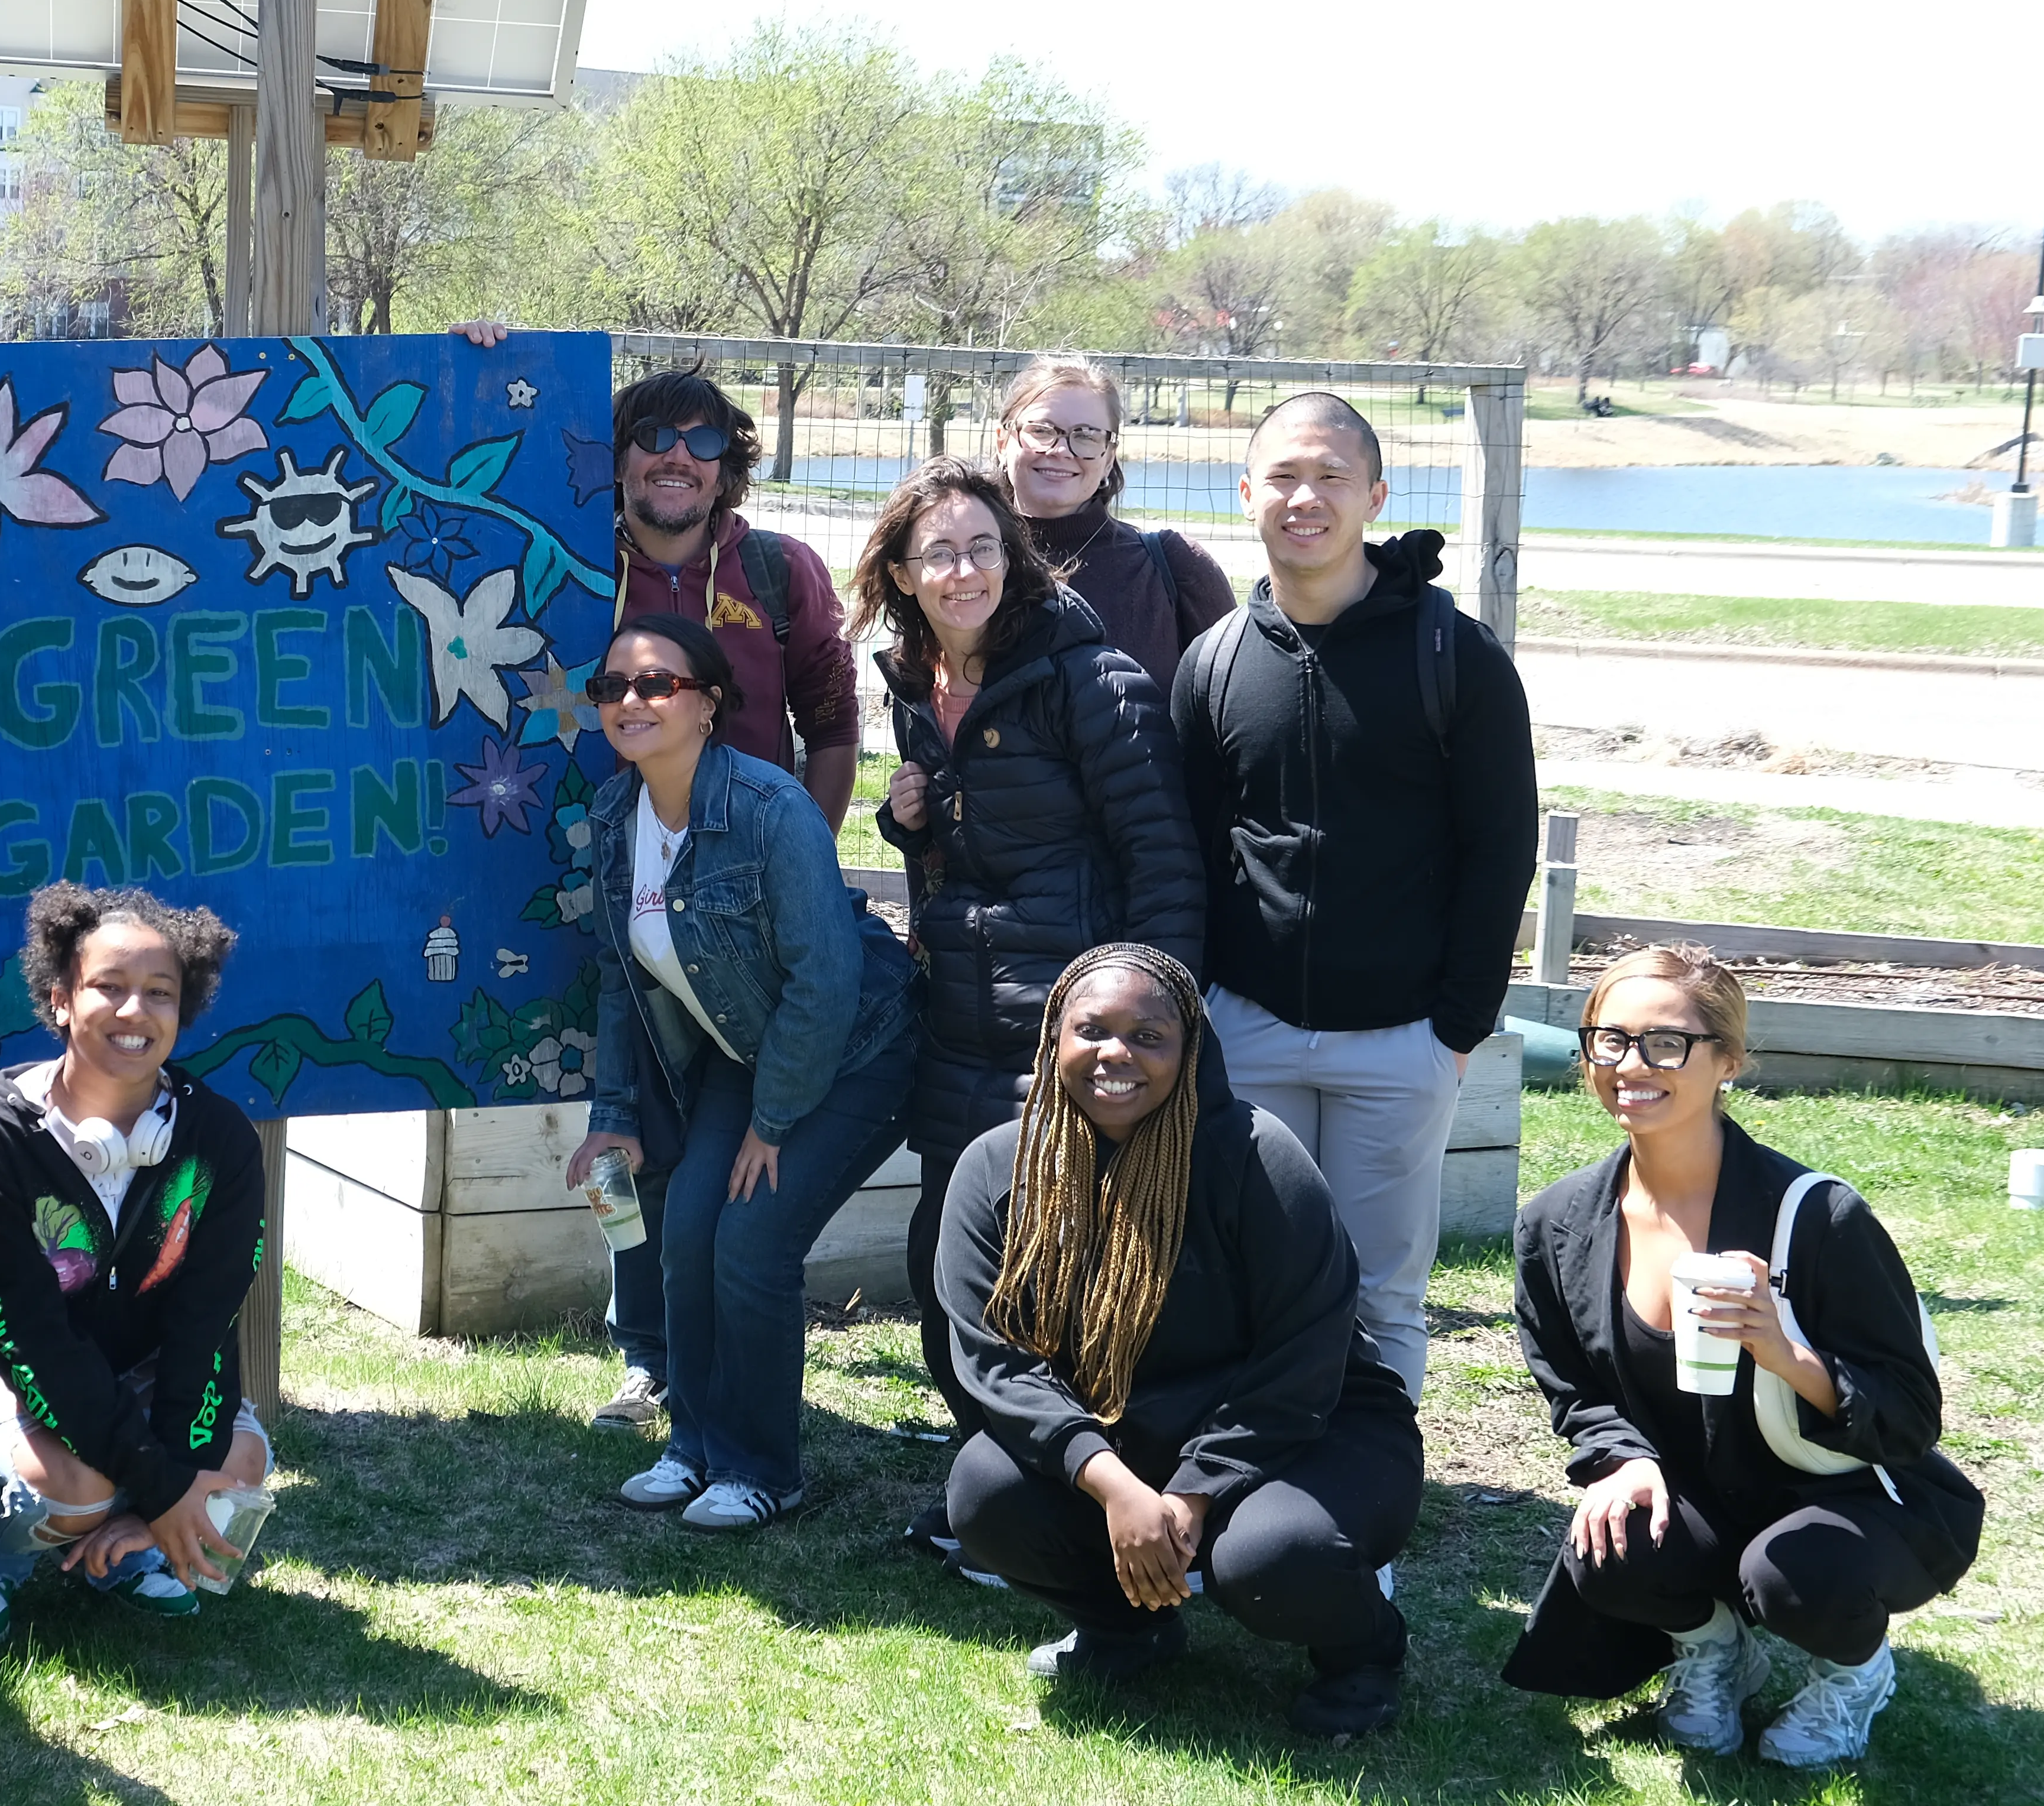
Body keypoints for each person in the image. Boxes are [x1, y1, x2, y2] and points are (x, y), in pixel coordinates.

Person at [451, 333, 864, 1441]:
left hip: (743, 910)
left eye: (703, 441)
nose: (676, 458)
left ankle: (710, 1365)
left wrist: (799, 863)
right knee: (630, 1125)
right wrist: (488, 359)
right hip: (598, 883)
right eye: (652, 439)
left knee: (713, 1146)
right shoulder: (571, 557)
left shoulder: (781, 573)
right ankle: (645, 1352)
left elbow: (833, 723)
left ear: (731, 464)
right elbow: (461, 473)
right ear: (618, 461)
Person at [1505, 946, 1981, 1765]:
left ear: (1728, 1060)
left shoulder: (1819, 1217)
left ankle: (1855, 1673)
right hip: (1701, 1492)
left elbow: (1909, 1412)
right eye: (1608, 1040)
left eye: (1666, 1043)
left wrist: (1787, 1351)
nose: (1631, 1066)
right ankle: (1715, 1646)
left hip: (1854, 1497)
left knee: (1797, 1573)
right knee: (1608, 1539)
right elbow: (1573, 1387)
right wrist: (1619, 1459)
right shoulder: (1557, 1224)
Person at [851, 461, 1200, 1569]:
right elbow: (977, 844)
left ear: (1016, 556)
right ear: (901, 576)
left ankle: (1091, 1506)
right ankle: (988, 1485)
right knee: (948, 1268)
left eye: (984, 547)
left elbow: (1164, 864)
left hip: (1072, 1035)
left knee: (1070, 1271)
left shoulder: (1092, 681)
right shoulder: (918, 683)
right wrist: (909, 823)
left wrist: (1156, 1036)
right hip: (957, 1022)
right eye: (939, 554)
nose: (965, 570)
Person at [940, 946, 1422, 1737]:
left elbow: (1307, 1353)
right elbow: (996, 1362)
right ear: (1053, 1040)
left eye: (1149, 1036)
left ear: (1190, 1049)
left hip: (1308, 1431)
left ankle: (1365, 1651)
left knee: (1272, 1559)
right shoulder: (999, 1168)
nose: (1116, 1054)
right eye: (1091, 1029)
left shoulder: (1259, 1158)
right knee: (986, 1494)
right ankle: (1127, 1629)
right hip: (1124, 1435)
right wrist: (1115, 1486)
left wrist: (1198, 1486)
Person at [1169, 391, 1536, 1399]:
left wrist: (1456, 1026)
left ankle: (1364, 1527)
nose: (1306, 497)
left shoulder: (1452, 658)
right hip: (1248, 1032)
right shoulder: (1212, 665)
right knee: (1254, 1283)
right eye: (1284, 476)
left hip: (1402, 1043)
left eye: (1331, 476)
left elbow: (1503, 848)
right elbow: (1193, 851)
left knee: (1382, 1297)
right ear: (1247, 494)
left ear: (1374, 494)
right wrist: (1203, 1008)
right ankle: (1251, 1498)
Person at [561, 615, 915, 1533]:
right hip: (742, 1054)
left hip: (858, 1052)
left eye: (657, 685)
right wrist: (615, 1113)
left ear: (709, 704)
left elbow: (828, 982)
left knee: (751, 1243)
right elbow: (622, 978)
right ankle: (695, 1449)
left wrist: (774, 1122)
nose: (631, 702)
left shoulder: (770, 809)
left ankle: (764, 1469)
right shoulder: (614, 815)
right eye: (613, 688)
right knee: (685, 1232)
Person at [0, 883, 276, 1639]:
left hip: (123, 1373)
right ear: (60, 999)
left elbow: (205, 1323)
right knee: (75, 1487)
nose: (136, 1011)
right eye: (110, 987)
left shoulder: (220, 1138)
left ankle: (124, 1550)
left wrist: (171, 1486)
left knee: (239, 1460)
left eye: (159, 992)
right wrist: (161, 1490)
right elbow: (31, 1339)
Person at [984, 352, 1236, 691]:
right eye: (1042, 431)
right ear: (1003, 442)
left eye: (1086, 436)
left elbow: (1227, 712)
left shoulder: (1176, 570)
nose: (1061, 450)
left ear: (1108, 459)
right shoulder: (963, 566)